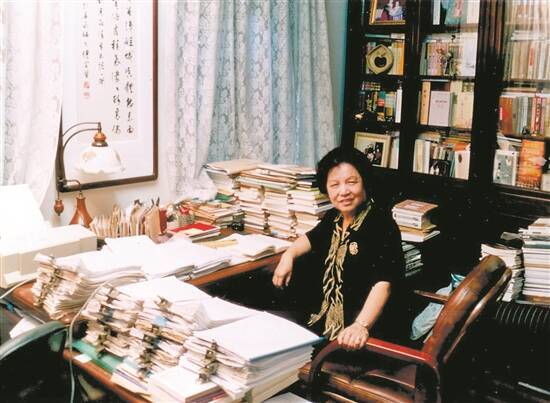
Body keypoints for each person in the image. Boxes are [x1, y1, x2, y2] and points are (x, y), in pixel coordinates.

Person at [272, 147, 405, 351]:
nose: (343, 191)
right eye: (334, 185)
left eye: (351, 182)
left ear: (365, 182)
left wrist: (361, 325)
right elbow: (309, 239)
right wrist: (288, 255)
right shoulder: (334, 217)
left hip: (360, 331)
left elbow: (383, 283)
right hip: (324, 322)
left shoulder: (381, 224)